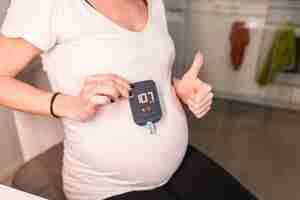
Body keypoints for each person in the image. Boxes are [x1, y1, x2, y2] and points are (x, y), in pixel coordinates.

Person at [0, 0, 258, 199]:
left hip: (178, 162)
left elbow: (149, 74)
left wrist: (178, 90)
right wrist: (66, 104)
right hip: (108, 187)